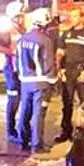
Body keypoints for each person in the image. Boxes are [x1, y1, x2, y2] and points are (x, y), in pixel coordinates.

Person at [15, 8, 57, 154]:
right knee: (38, 114)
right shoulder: (45, 40)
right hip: (41, 83)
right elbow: (48, 64)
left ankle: (22, 141)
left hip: (25, 82)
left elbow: (17, 61)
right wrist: (53, 81)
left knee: (24, 111)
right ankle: (37, 144)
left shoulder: (21, 39)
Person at [55, 7, 84, 143]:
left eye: (75, 16)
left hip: (81, 72)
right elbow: (60, 53)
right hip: (68, 72)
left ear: (82, 18)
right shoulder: (66, 34)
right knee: (67, 103)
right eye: (71, 16)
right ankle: (66, 132)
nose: (72, 19)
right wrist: (59, 69)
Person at [0, 2, 25, 143]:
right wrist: (13, 52)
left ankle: (21, 130)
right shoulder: (7, 30)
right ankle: (11, 131)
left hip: (21, 70)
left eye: (22, 16)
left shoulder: (22, 29)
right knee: (13, 100)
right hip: (12, 70)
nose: (21, 19)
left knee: (23, 100)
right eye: (19, 16)